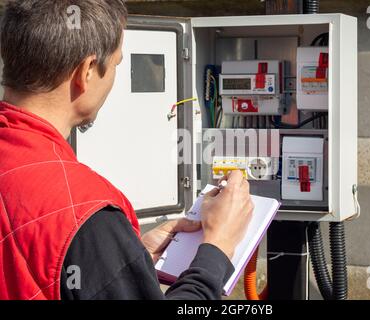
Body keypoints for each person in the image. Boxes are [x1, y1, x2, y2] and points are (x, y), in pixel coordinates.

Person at [0, 0, 253, 300]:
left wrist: (129, 257)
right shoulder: (86, 213)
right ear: (87, 71)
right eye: (118, 64)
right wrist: (217, 249)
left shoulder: (90, 227)